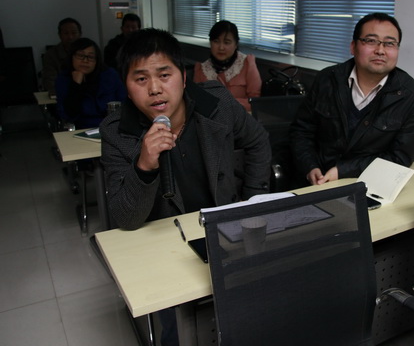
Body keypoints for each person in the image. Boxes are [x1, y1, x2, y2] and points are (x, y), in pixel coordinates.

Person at [100, 28, 271, 346]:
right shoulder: (117, 132)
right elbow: (125, 217)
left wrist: (252, 201)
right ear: (126, 87)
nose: (155, 89)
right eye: (141, 79)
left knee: (246, 313)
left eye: (164, 75)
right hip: (165, 246)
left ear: (182, 75)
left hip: (225, 231)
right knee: (178, 331)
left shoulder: (216, 103)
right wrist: (144, 165)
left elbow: (258, 140)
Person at [290, 12, 414, 185]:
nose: (380, 50)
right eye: (371, 41)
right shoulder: (327, 79)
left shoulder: (412, 97)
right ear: (353, 46)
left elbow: (399, 157)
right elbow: (301, 131)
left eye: (390, 43)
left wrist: (343, 171)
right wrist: (310, 167)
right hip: (316, 181)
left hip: (369, 185)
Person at [55, 37, 125, 129]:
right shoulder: (63, 79)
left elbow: (124, 103)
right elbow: (68, 115)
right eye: (80, 55)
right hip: (80, 129)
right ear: (72, 57)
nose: (85, 60)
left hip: (111, 127)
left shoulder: (110, 75)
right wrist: (75, 85)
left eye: (91, 57)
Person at [193, 20, 261, 112]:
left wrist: (227, 104)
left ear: (236, 44)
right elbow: (197, 102)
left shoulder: (247, 63)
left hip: (242, 116)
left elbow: (255, 101)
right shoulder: (201, 69)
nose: (221, 47)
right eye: (216, 41)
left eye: (227, 42)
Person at [42, 17, 82, 96]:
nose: (70, 37)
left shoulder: (88, 52)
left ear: (80, 34)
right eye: (66, 33)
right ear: (60, 35)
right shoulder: (51, 55)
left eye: (74, 33)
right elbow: (50, 82)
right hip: (63, 96)